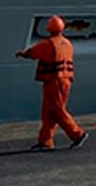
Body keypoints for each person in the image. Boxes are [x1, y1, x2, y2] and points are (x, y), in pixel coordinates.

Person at [16, 15, 87, 151]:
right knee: (48, 112)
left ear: (49, 28)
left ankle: (78, 134)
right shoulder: (67, 43)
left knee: (57, 110)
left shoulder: (48, 43)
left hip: (54, 80)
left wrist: (22, 54)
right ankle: (45, 141)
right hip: (66, 79)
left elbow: (33, 53)